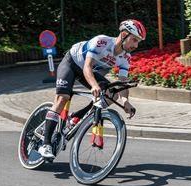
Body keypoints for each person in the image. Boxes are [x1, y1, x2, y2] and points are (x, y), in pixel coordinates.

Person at [38, 19, 146, 158]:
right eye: (134, 40)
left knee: (112, 94)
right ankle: (45, 144)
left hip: (87, 70)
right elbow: (87, 66)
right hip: (72, 63)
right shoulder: (101, 42)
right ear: (124, 34)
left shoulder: (125, 57)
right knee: (62, 98)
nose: (136, 45)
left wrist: (125, 101)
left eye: (138, 42)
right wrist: (94, 85)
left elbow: (122, 83)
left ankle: (74, 118)